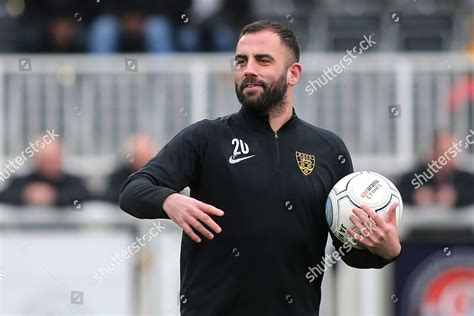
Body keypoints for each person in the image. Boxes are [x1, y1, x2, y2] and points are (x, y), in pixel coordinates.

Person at [120, 21, 401, 315]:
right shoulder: (205, 137)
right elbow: (133, 191)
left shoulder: (328, 150)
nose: (248, 69)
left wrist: (387, 251)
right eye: (241, 61)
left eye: (263, 60)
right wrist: (169, 201)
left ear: (294, 73)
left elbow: (348, 250)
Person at [0, 140, 90, 207]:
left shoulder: (73, 183)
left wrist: (54, 196)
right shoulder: (21, 182)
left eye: (54, 159)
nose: (51, 164)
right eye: (47, 160)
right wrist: (27, 195)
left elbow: (85, 197)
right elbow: (5, 196)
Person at [397, 130, 474, 208]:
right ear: (432, 153)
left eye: (452, 154)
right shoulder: (413, 178)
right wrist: (414, 196)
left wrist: (457, 197)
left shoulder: (467, 180)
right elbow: (397, 194)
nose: (447, 159)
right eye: (443, 154)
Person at [102, 134, 156, 203]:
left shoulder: (156, 174)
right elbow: (113, 197)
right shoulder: (119, 176)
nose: (145, 161)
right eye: (140, 157)